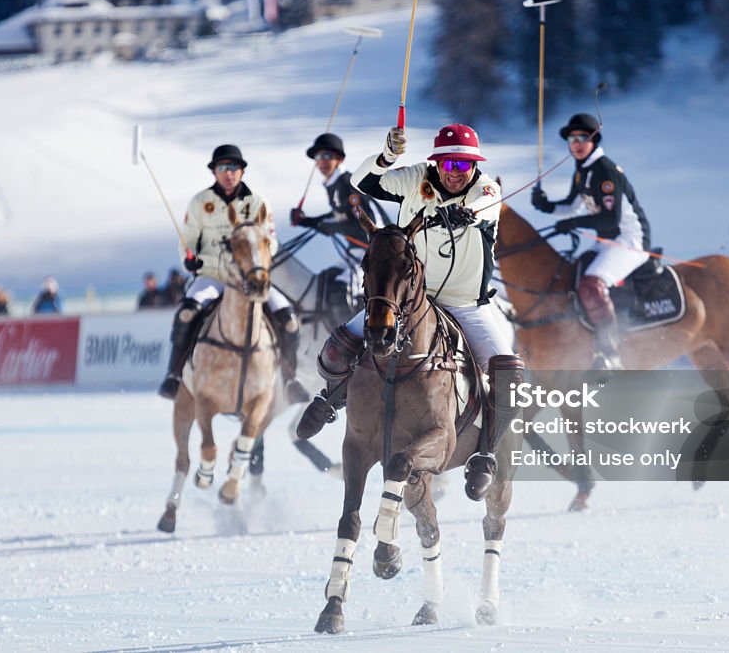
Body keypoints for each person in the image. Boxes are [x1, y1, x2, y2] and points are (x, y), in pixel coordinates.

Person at [296, 124, 526, 502]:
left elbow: (485, 204)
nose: (456, 171)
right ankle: (330, 398)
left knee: (510, 376)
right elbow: (364, 182)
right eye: (449, 162)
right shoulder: (416, 178)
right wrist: (387, 155)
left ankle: (485, 454)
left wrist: (461, 213)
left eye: (464, 163)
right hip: (412, 300)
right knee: (339, 348)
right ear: (436, 162)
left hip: (466, 304)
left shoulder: (486, 189)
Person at [156, 143, 309, 404]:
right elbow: (188, 240)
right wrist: (189, 260)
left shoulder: (257, 202)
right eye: (222, 168)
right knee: (185, 314)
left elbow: (270, 240)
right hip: (212, 276)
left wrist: (260, 261)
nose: (228, 173)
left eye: (233, 168)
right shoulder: (200, 202)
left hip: (251, 280)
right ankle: (174, 374)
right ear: (214, 171)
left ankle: (290, 379)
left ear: (242, 171)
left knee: (289, 319)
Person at [531, 113, 652, 371]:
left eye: (582, 138)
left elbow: (610, 219)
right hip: (607, 240)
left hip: (630, 240)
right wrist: (547, 206)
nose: (575, 143)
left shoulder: (604, 170)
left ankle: (611, 354)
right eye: (572, 139)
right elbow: (573, 206)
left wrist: (573, 224)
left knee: (591, 285)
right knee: (570, 275)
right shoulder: (582, 169)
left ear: (594, 140)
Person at [289, 132, 379, 245]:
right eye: (317, 157)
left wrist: (330, 227)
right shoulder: (333, 183)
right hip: (358, 248)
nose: (321, 161)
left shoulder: (348, 184)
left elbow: (366, 225)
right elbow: (340, 215)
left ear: (339, 159)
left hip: (378, 249)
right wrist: (306, 221)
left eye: (327, 155)